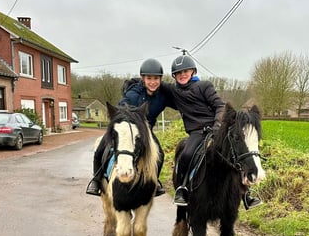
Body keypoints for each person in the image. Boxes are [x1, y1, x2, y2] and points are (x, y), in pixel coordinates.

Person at [166, 54, 262, 210]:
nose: (182, 75)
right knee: (186, 154)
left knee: (233, 153)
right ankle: (182, 188)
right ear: (174, 76)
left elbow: (219, 106)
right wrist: (134, 82)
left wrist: (218, 124)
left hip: (215, 129)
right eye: (178, 73)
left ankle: (245, 193)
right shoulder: (174, 92)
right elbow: (154, 84)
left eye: (186, 71)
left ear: (193, 72)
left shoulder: (204, 86)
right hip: (196, 133)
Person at [85, 58, 170, 197]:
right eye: (149, 78)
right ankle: (96, 180)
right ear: (143, 78)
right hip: (127, 128)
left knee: (160, 154)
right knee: (100, 148)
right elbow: (121, 108)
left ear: (160, 79)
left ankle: (155, 181)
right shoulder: (133, 94)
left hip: (146, 131)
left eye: (156, 78)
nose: (153, 82)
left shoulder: (163, 96)